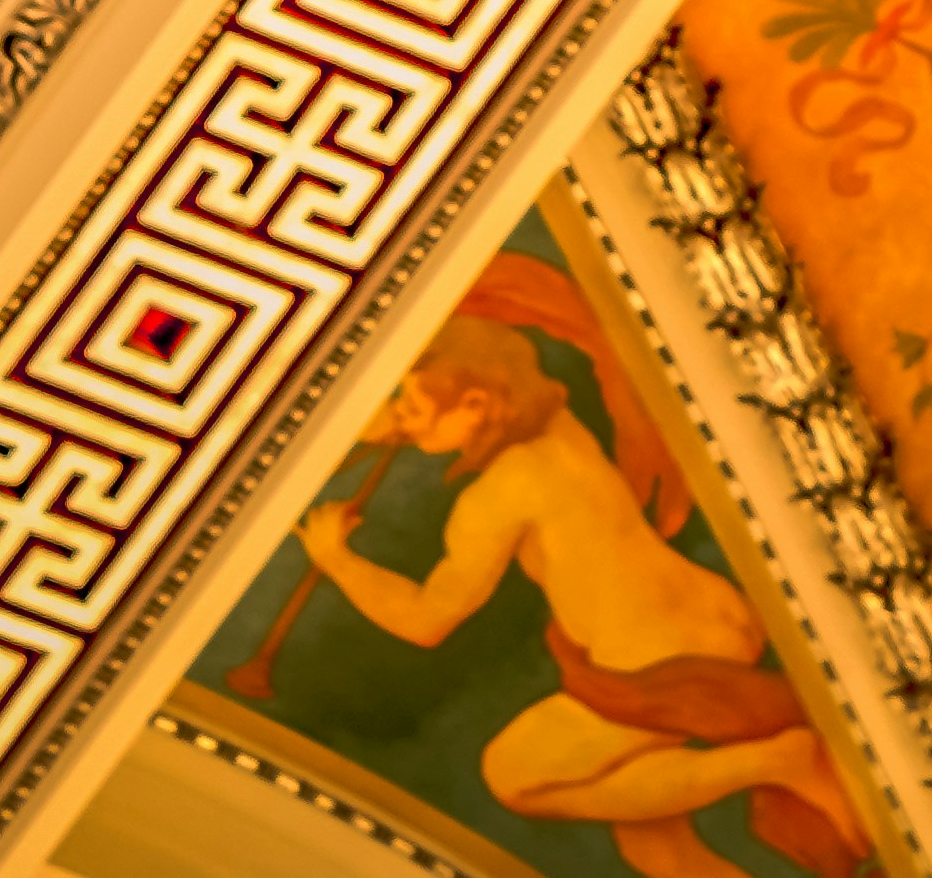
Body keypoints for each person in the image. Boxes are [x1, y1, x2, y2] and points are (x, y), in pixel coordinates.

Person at [293, 281, 871, 878]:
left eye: (411, 410)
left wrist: (337, 559)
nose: (405, 427)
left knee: (515, 776)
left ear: (475, 405)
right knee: (652, 846)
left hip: (658, 660)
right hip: (711, 619)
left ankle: (774, 761)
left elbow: (427, 620)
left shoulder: (501, 492)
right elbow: (457, 388)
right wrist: (388, 419)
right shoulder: (562, 430)